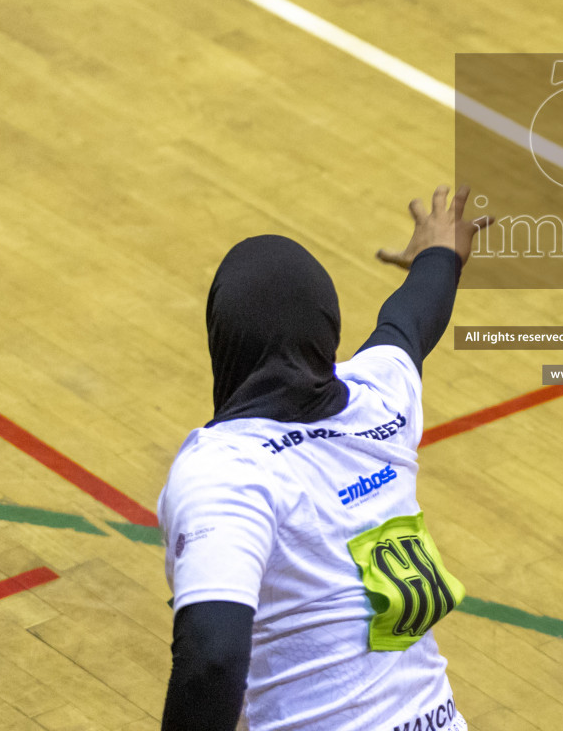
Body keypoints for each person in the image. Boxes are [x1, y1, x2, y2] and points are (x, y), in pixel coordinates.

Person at [157, 186, 490, 731]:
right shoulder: (380, 400)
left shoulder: (225, 472)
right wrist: (440, 252)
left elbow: (213, 661)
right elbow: (409, 320)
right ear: (328, 330)